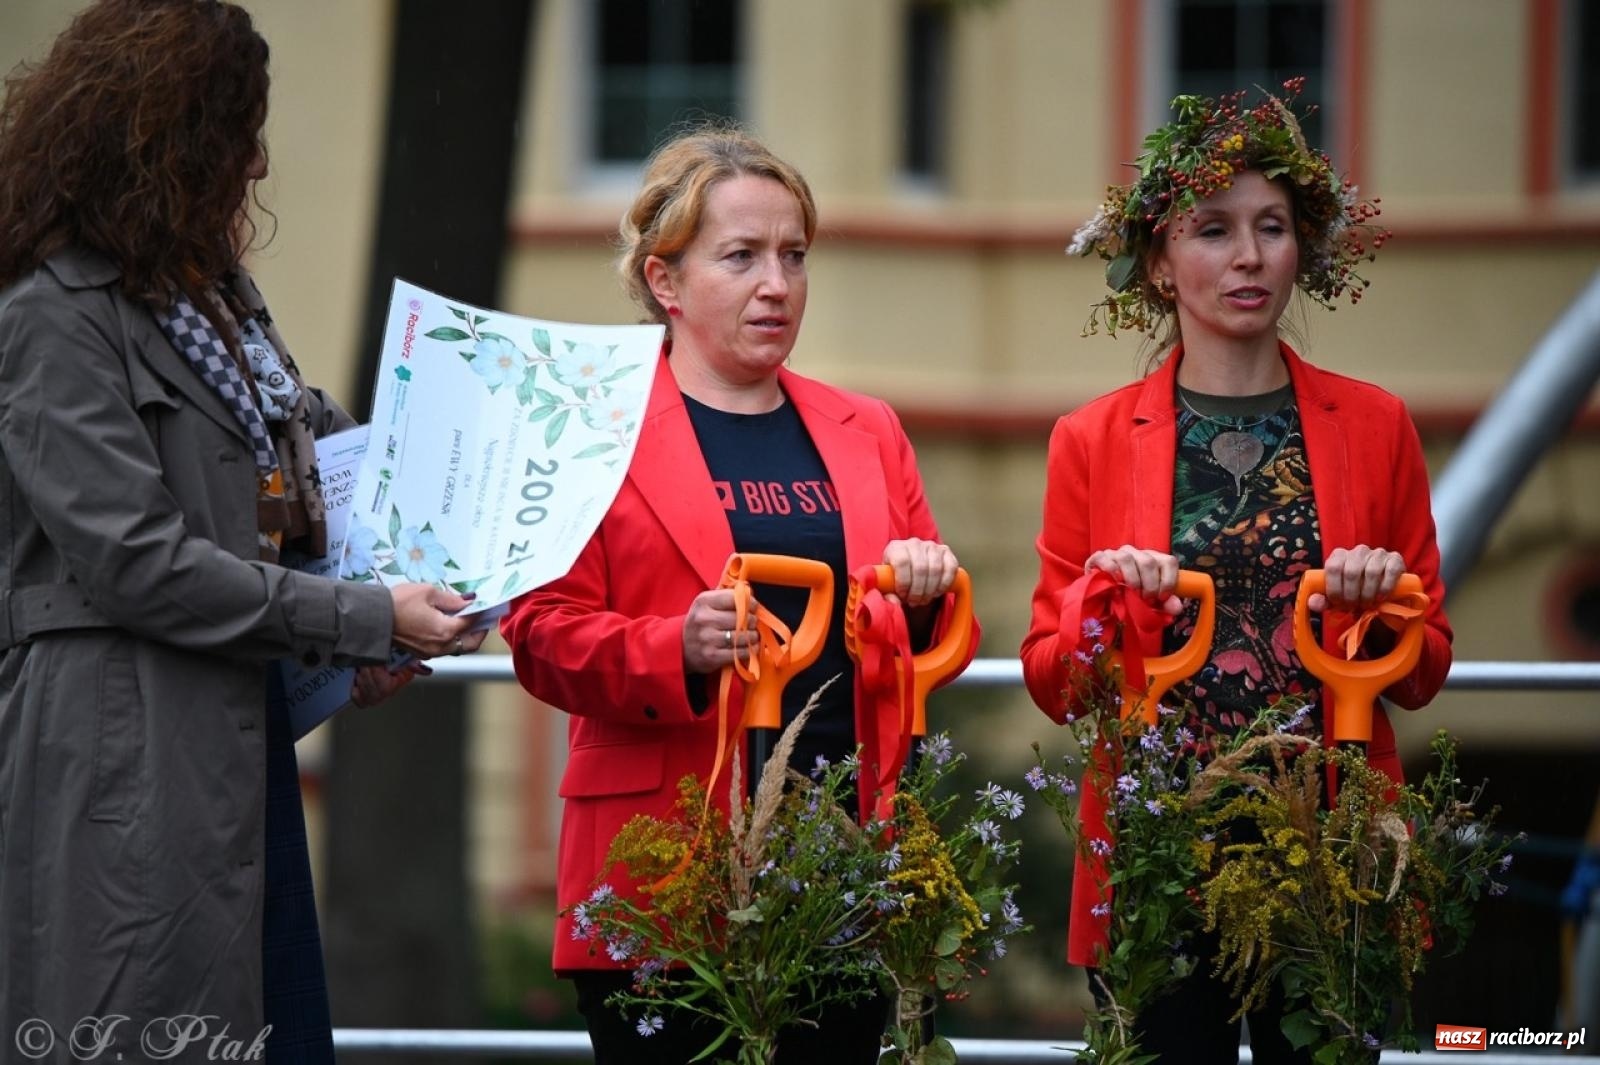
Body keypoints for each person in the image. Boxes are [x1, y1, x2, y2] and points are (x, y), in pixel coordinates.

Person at [0, 2, 485, 1062]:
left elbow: (285, 487)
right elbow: (137, 564)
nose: (258, 164)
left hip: (229, 745)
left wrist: (374, 622)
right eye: (236, 133)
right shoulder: (53, 314)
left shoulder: (211, 301)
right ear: (162, 141)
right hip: (123, 768)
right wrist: (364, 617)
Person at [500, 126, 978, 1064]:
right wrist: (671, 646)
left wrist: (924, 598)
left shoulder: (869, 428)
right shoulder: (590, 428)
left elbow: (931, 646)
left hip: (844, 872)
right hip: (659, 874)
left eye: (794, 256)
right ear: (665, 281)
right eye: (742, 256)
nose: (777, 284)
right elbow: (539, 635)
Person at [1020, 80, 1453, 1064]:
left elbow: (1424, 669)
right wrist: (1103, 601)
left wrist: (1383, 607)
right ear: (1159, 263)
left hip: (1332, 848)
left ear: (1303, 249)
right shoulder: (1089, 439)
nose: (1248, 256)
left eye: (1271, 227)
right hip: (1158, 853)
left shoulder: (1376, 424)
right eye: (1213, 230)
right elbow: (1051, 679)